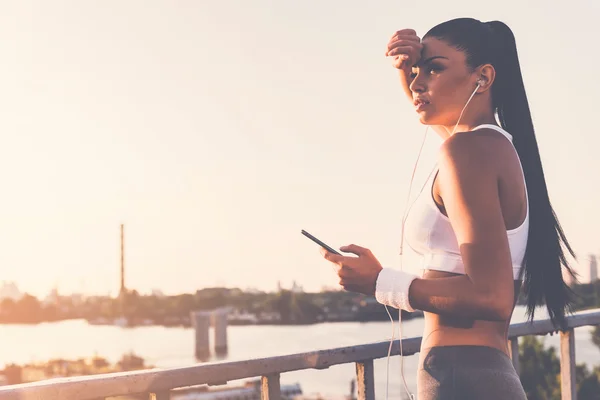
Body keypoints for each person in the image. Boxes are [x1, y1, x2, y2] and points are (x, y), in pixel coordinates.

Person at [320, 17, 576, 399]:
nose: (418, 83)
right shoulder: (490, 146)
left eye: (435, 68)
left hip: (460, 378)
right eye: (419, 72)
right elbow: (433, 113)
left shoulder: (468, 151)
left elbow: (492, 295)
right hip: (477, 373)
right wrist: (406, 71)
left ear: (483, 78)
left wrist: (380, 283)